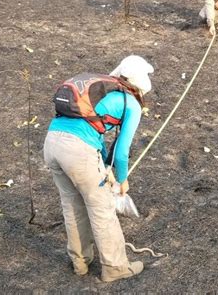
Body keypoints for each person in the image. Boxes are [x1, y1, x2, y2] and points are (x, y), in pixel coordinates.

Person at [43, 55, 154, 282]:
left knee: (72, 205)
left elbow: (94, 132)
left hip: (52, 143)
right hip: (78, 151)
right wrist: (122, 179)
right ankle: (115, 268)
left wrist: (104, 166)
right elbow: (122, 151)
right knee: (101, 208)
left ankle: (80, 263)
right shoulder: (130, 103)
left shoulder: (101, 90)